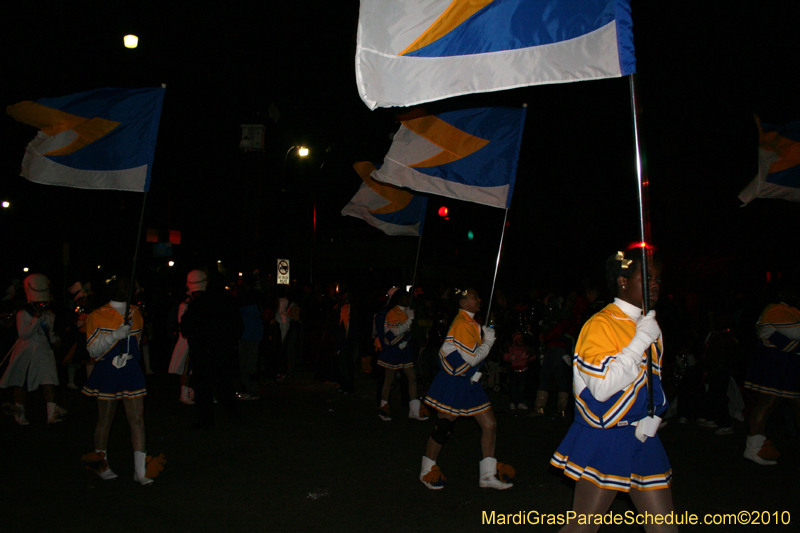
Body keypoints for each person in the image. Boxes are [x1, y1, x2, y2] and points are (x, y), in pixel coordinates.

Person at [550, 249, 675, 533]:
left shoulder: (647, 325)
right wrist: (640, 340)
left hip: (644, 437)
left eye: (658, 279)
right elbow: (602, 389)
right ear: (622, 281)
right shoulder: (600, 324)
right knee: (581, 529)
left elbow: (650, 384)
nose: (655, 284)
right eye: (647, 277)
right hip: (606, 439)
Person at [420, 288, 514, 491]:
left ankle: (488, 475)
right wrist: (488, 341)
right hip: (453, 382)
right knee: (444, 427)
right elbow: (471, 358)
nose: (479, 299)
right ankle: (427, 470)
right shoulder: (463, 323)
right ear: (463, 303)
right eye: (474, 297)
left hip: (468, 381)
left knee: (489, 424)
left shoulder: (471, 323)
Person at [82, 278, 163, 485]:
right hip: (108, 371)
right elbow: (92, 350)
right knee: (105, 420)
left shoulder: (136, 313)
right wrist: (114, 336)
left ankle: (140, 470)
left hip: (130, 370)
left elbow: (136, 344)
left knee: (137, 419)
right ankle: (101, 464)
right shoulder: (97, 314)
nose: (126, 289)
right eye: (122, 286)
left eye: (129, 287)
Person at [742, 282, 800, 465]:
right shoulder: (775, 310)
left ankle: (755, 447)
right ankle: (754, 448)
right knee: (766, 404)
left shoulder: (788, 310)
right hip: (776, 364)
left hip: (785, 365)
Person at [0, 274, 66, 425]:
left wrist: (55, 340)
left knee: (48, 380)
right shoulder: (22, 314)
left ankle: (51, 413)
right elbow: (24, 334)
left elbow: (50, 332)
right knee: (21, 383)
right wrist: (36, 319)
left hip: (44, 351)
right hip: (26, 352)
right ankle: (19, 412)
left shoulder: (49, 314)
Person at [377, 288, 427, 422]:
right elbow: (395, 331)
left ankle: (414, 410)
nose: (408, 300)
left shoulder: (406, 311)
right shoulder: (392, 313)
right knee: (389, 380)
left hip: (404, 350)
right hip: (393, 350)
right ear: (400, 299)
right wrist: (409, 320)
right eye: (406, 298)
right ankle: (383, 410)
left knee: (412, 377)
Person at [504, 332, 533, 410]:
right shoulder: (512, 348)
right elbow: (506, 357)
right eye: (518, 339)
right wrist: (512, 358)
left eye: (521, 339)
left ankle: (520, 402)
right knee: (513, 387)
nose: (520, 340)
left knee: (521, 388)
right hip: (514, 371)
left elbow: (531, 357)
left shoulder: (525, 348)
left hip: (523, 370)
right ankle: (512, 402)